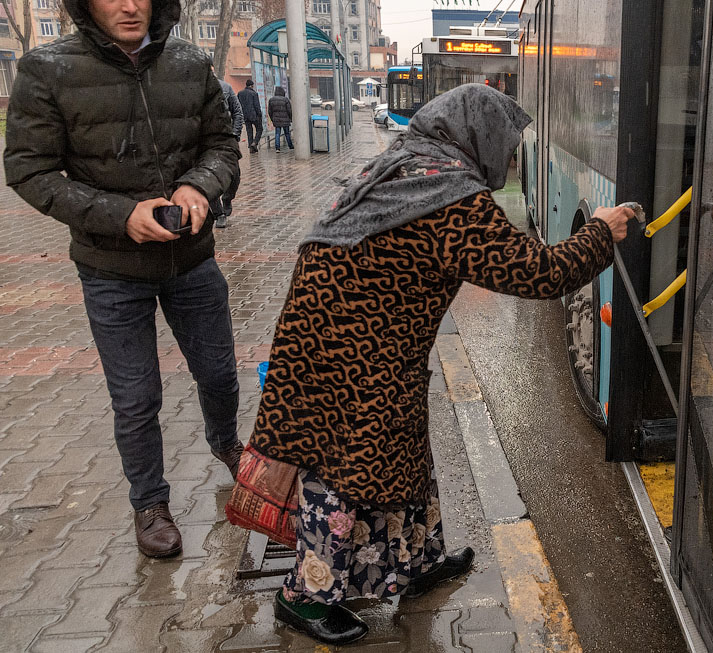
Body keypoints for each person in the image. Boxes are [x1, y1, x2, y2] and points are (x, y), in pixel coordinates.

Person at [249, 84, 635, 645]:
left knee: (403, 448)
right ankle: (303, 597)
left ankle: (415, 563)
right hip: (349, 353)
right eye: (507, 145)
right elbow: (540, 275)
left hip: (358, 339)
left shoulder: (409, 165)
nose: (509, 159)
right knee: (346, 469)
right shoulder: (450, 197)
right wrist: (601, 231)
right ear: (478, 138)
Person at [3, 0, 243, 559]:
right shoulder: (45, 70)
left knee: (219, 371)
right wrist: (119, 216)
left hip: (191, 260)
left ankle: (227, 446)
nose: (128, 4)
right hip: (111, 269)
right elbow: (28, 170)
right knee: (136, 396)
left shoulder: (190, 64)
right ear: (86, 0)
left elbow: (222, 146)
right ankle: (151, 503)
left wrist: (199, 188)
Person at [211, 63, 243, 228]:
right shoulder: (192, 91)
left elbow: (238, 112)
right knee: (208, 179)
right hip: (205, 144)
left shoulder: (226, 87)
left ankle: (228, 198)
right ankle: (219, 214)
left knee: (235, 176)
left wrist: (235, 134)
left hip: (227, 140)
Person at [238, 78, 263, 154]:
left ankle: (251, 148)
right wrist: (259, 114)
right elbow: (257, 106)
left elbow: (238, 104)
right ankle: (254, 143)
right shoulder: (254, 94)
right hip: (254, 115)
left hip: (245, 115)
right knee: (260, 129)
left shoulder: (240, 93)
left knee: (249, 131)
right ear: (252, 86)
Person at [268, 85, 293, 152]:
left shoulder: (271, 100)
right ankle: (290, 146)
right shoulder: (285, 99)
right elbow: (289, 110)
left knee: (277, 133)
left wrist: (272, 119)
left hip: (276, 120)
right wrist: (291, 118)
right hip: (285, 119)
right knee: (287, 133)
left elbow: (270, 111)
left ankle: (277, 148)